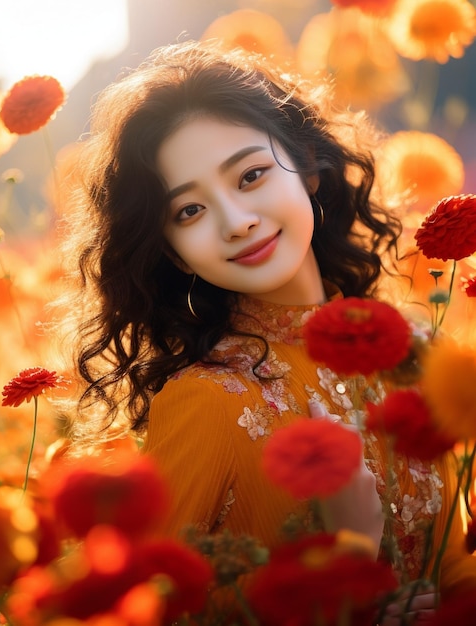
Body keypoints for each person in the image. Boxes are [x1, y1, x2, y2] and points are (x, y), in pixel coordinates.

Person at [53, 41, 476, 623]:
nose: (236, 221)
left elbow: (454, 569)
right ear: (174, 254)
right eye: (189, 212)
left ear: (306, 164)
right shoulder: (208, 401)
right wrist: (347, 562)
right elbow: (139, 610)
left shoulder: (416, 353)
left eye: (250, 175)